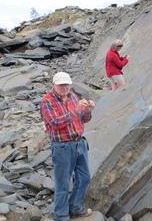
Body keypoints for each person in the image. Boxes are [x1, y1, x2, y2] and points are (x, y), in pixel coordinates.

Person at [40, 72, 95, 221]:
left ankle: (75, 207)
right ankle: (61, 215)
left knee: (84, 178)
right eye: (61, 85)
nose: (64, 87)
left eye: (66, 84)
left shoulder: (72, 97)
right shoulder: (47, 101)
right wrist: (75, 110)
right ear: (54, 85)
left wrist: (87, 111)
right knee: (63, 182)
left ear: (70, 84)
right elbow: (55, 123)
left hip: (79, 143)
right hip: (62, 146)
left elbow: (83, 120)